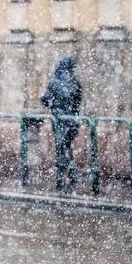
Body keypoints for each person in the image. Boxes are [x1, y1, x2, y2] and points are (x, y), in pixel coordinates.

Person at [41, 57, 82, 193]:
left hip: (60, 121)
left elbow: (45, 99)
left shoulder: (54, 83)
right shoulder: (75, 83)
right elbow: (78, 100)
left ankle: (62, 175)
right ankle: (71, 172)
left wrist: (53, 105)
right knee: (67, 146)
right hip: (72, 120)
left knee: (61, 147)